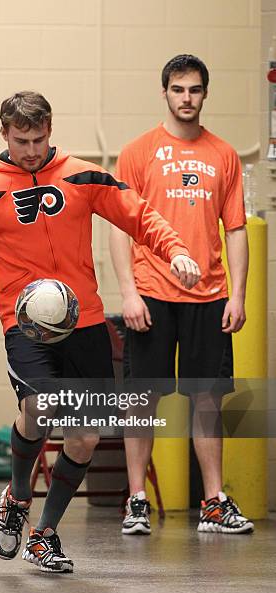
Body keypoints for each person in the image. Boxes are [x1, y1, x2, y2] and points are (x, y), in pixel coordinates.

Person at [0, 91, 200, 573]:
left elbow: (138, 213)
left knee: (82, 439)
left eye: (40, 139)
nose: (33, 150)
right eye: (22, 141)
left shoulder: (81, 175)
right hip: (27, 328)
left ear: (50, 130)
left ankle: (45, 534)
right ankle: (17, 499)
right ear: (4, 134)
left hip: (84, 324)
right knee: (37, 408)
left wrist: (177, 250)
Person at [110, 55, 254, 536]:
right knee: (141, 400)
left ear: (205, 94)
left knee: (207, 400)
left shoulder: (225, 154)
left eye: (194, 89)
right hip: (151, 294)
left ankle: (213, 502)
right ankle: (135, 500)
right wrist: (128, 294)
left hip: (209, 296)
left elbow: (235, 229)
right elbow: (119, 229)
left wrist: (238, 295)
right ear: (165, 92)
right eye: (177, 89)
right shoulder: (137, 153)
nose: (186, 98)